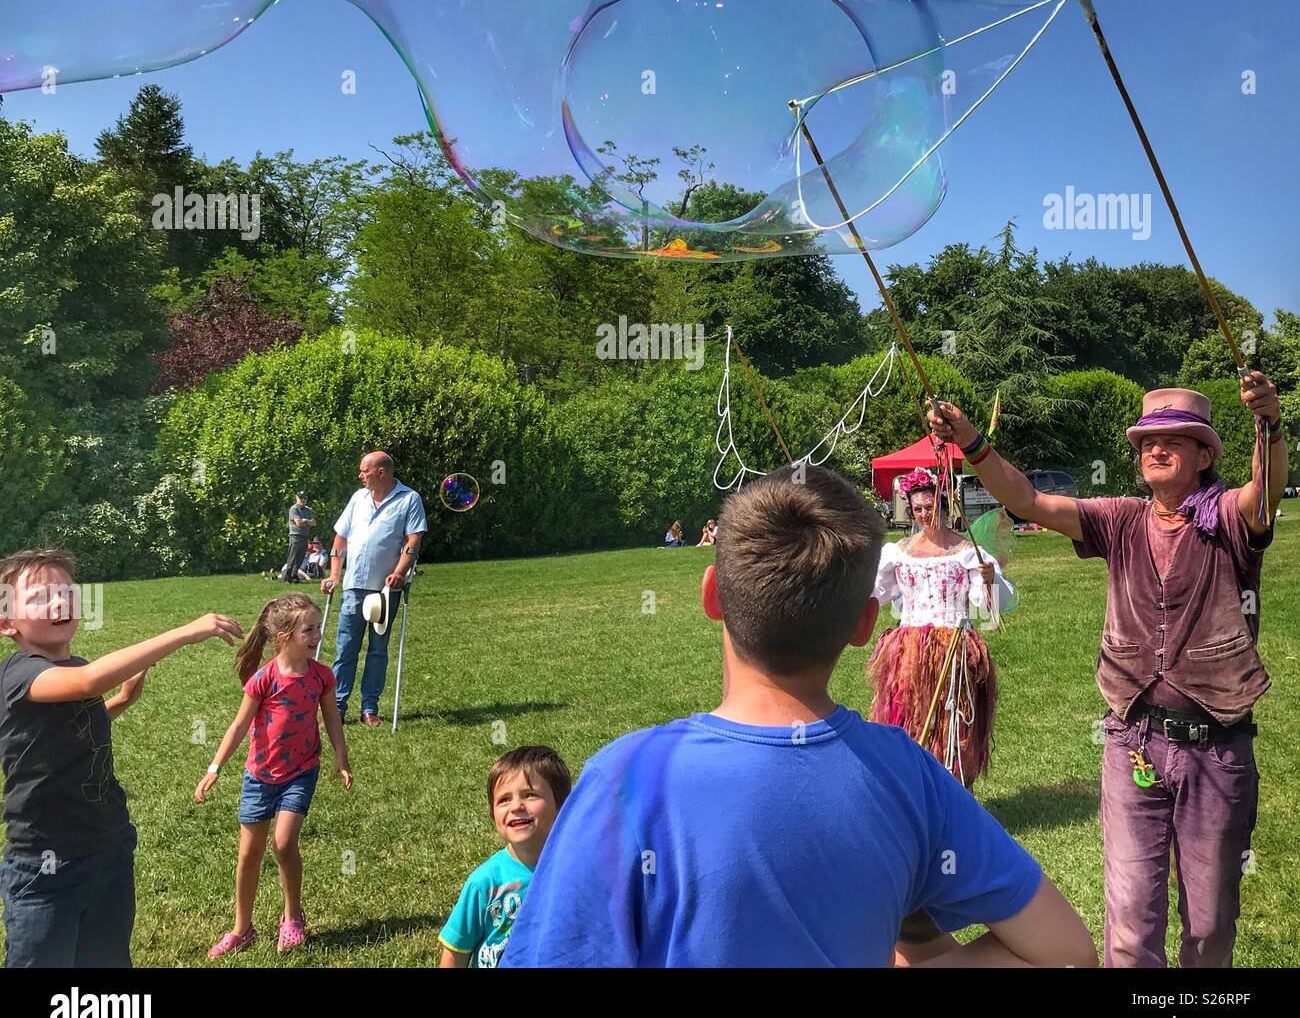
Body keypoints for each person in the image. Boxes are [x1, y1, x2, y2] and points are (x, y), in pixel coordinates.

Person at [501, 465, 1095, 968]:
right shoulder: (909, 774)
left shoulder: (624, 775)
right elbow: (1067, 952)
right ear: (866, 624)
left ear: (712, 595)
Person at [929, 374, 1285, 969]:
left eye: (1174, 438)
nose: (1155, 447)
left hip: (1216, 749)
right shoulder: (1120, 520)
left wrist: (1270, 423)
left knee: (1209, 927)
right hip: (1132, 743)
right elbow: (1027, 500)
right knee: (1130, 922)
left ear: (1204, 455)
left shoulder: (1228, 516)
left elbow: (1266, 489)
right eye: (1146, 440)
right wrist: (970, 439)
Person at [0, 548, 242, 967]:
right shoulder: (18, 673)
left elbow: (70, 730)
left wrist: (123, 700)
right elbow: (88, 681)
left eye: (66, 591)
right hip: (46, 862)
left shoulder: (74, 665)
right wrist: (185, 632)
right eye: (40, 597)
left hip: (108, 846)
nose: (59, 602)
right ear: (7, 623)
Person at [196, 592, 352, 957]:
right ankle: (241, 928)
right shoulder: (264, 679)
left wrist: (341, 756)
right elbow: (238, 726)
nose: (316, 636)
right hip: (259, 777)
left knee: (283, 843)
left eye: (317, 628)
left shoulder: (321, 677)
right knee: (248, 855)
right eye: (308, 630)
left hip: (301, 772)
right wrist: (214, 768)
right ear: (283, 636)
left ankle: (293, 916)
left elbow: (331, 719)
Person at [869, 467, 1013, 786]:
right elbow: (876, 594)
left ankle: (950, 790)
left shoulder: (966, 553)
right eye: (917, 508)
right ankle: (911, 789)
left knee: (951, 722)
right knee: (910, 718)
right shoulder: (898, 553)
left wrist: (990, 581)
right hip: (908, 648)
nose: (923, 514)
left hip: (954, 648)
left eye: (929, 506)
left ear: (945, 505)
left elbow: (987, 601)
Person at [438, 746, 572, 969]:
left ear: (562, 806)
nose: (516, 806)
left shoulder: (577, 871)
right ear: (493, 814)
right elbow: (455, 954)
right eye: (504, 800)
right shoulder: (485, 883)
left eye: (530, 795)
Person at [322, 452, 427, 727]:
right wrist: (334, 573)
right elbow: (340, 537)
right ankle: (337, 707)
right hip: (353, 586)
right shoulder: (358, 498)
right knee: (346, 648)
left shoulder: (409, 499)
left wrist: (399, 572)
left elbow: (413, 539)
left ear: (381, 472)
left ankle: (370, 708)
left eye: (364, 471)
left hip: (385, 590)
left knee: (378, 649)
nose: (360, 475)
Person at [281, 489, 315, 583]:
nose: (302, 500)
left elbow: (314, 523)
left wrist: (305, 521)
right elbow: (298, 523)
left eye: (304, 498)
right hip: (295, 536)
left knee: (300, 558)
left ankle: (294, 576)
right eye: (300, 498)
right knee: (292, 558)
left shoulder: (308, 510)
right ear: (296, 498)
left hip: (304, 536)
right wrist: (307, 522)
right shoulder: (294, 509)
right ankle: (287, 578)